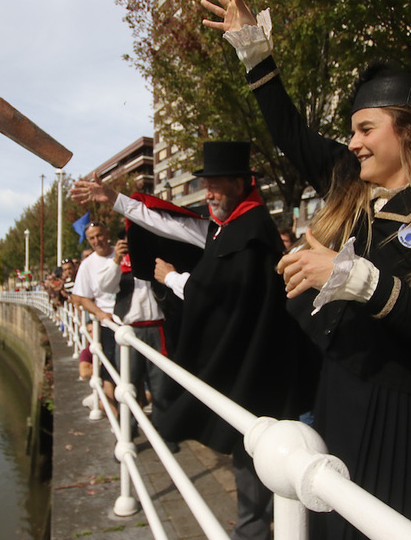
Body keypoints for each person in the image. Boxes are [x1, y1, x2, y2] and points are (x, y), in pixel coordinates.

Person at [201, 0, 411, 540]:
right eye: (351, 131)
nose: (353, 143)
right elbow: (291, 133)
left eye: (365, 128)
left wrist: (358, 280)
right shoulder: (351, 188)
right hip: (339, 397)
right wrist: (255, 51)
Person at [72, 141, 315, 540]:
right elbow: (173, 226)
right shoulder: (232, 225)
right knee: (247, 446)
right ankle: (254, 526)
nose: (209, 193)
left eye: (216, 185)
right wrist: (115, 199)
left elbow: (223, 295)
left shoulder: (250, 231)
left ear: (241, 183)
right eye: (207, 185)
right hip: (251, 362)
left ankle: (257, 530)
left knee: (255, 447)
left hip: (259, 369)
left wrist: (171, 279)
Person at [97, 230, 169, 415]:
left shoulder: (157, 260)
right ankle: (128, 427)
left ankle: (163, 432)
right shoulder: (118, 264)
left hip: (157, 328)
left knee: (160, 384)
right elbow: (105, 286)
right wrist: (117, 260)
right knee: (129, 383)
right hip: (129, 331)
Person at [71, 221, 119, 416]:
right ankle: (116, 417)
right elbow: (81, 298)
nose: (97, 241)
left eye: (99, 235)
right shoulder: (87, 265)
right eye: (92, 238)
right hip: (107, 324)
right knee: (110, 370)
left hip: (131, 320)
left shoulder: (122, 252)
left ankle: (131, 415)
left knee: (133, 370)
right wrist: (100, 314)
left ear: (107, 233)